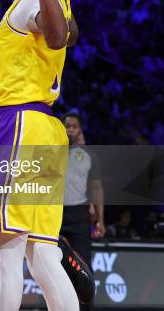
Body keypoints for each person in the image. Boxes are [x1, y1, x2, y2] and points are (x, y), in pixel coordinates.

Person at [0, 0, 80, 310]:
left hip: (16, 125)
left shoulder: (27, 4)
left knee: (4, 251)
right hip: (46, 131)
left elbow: (57, 37)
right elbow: (70, 35)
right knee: (42, 254)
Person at [61, 112, 104, 310]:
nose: (70, 129)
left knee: (83, 269)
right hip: (54, 217)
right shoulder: (48, 152)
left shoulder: (89, 155)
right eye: (67, 125)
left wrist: (100, 220)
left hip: (79, 216)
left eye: (74, 126)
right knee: (56, 270)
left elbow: (96, 188)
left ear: (80, 130)